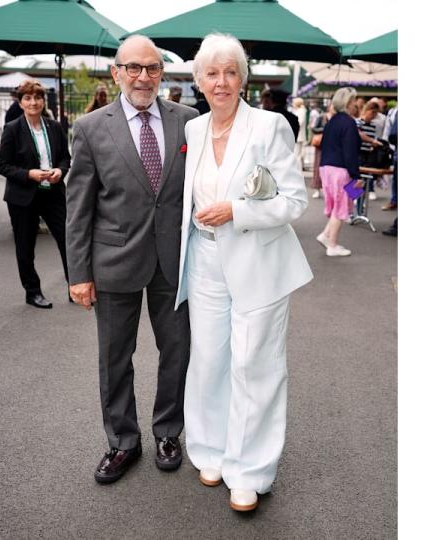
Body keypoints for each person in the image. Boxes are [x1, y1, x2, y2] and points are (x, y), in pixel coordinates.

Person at [177, 33, 313, 513]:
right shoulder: (193, 130)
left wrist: (237, 209)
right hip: (205, 261)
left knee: (256, 366)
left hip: (259, 262)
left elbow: (294, 200)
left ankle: (250, 471)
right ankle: (211, 450)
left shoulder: (269, 126)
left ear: (243, 78)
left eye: (230, 71)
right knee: (210, 361)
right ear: (198, 80)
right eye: (211, 73)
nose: (221, 81)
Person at [65, 35, 199, 484]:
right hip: (114, 261)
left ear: (163, 73)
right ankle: (123, 442)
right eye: (135, 68)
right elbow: (79, 206)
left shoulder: (189, 122)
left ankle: (168, 432)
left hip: (173, 260)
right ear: (116, 72)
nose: (145, 76)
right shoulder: (90, 128)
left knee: (176, 352)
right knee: (114, 357)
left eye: (154, 68)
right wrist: (79, 274)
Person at [0, 78, 71, 309]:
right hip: (23, 197)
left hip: (53, 194)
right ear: (20, 103)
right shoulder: (12, 129)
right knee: (25, 246)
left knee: (68, 240)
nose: (33, 102)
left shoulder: (54, 126)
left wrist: (60, 170)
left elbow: (65, 157)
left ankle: (76, 286)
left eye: (37, 97)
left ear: (42, 101)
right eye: (27, 98)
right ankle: (33, 291)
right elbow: (3, 165)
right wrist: (29, 174)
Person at [314, 87, 361, 257]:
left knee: (336, 205)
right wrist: (356, 175)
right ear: (349, 102)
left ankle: (326, 236)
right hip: (341, 170)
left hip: (326, 168)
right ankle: (332, 245)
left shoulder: (332, 121)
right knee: (342, 206)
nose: (356, 103)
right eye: (354, 100)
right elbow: (351, 152)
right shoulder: (349, 123)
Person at [308, 101, 330, 199]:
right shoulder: (322, 117)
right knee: (318, 167)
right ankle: (317, 189)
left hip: (332, 147)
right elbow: (314, 129)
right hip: (321, 146)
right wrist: (325, 129)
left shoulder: (339, 118)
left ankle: (328, 190)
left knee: (329, 170)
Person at [381, 105, 398, 211]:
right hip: (367, 153)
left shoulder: (380, 118)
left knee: (365, 180)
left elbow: (388, 134)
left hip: (377, 152)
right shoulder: (358, 121)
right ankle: (352, 205)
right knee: (359, 178)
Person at [291, 97, 309, 169]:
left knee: (297, 154)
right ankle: (299, 167)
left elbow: (299, 122)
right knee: (298, 153)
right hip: (299, 135)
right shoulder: (300, 111)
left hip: (298, 135)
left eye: (293, 103)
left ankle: (297, 168)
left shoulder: (300, 111)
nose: (292, 104)